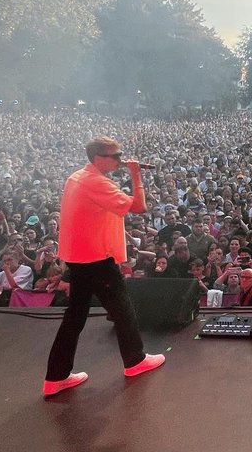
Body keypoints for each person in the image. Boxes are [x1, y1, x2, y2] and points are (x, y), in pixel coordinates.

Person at [43, 136, 165, 397]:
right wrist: (135, 175)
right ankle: (135, 360)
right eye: (116, 156)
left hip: (78, 258)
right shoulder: (96, 182)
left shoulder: (76, 177)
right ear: (98, 158)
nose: (120, 160)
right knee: (122, 309)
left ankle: (55, 377)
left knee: (74, 317)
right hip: (96, 258)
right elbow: (139, 207)